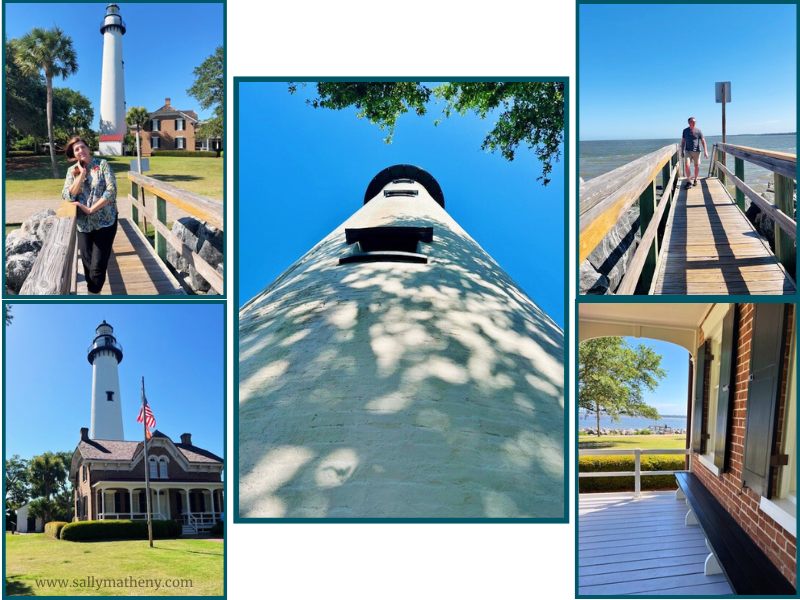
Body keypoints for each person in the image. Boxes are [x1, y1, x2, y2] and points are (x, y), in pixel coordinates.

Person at [62, 136, 118, 295]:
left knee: (98, 265)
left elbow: (111, 191)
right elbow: (67, 196)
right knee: (87, 264)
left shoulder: (102, 165)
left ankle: (93, 294)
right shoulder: (71, 171)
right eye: (76, 150)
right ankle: (94, 293)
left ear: (88, 147)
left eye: (82, 147)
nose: (80, 151)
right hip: (83, 225)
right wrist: (81, 174)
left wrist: (92, 209)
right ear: (74, 154)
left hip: (105, 222)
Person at [680, 117, 708, 188]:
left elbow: (703, 141)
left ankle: (695, 179)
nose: (694, 123)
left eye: (695, 121)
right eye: (692, 121)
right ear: (689, 123)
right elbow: (683, 141)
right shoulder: (685, 131)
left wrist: (705, 151)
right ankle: (689, 181)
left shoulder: (698, 131)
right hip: (687, 151)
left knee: (696, 166)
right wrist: (682, 151)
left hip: (697, 151)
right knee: (687, 165)